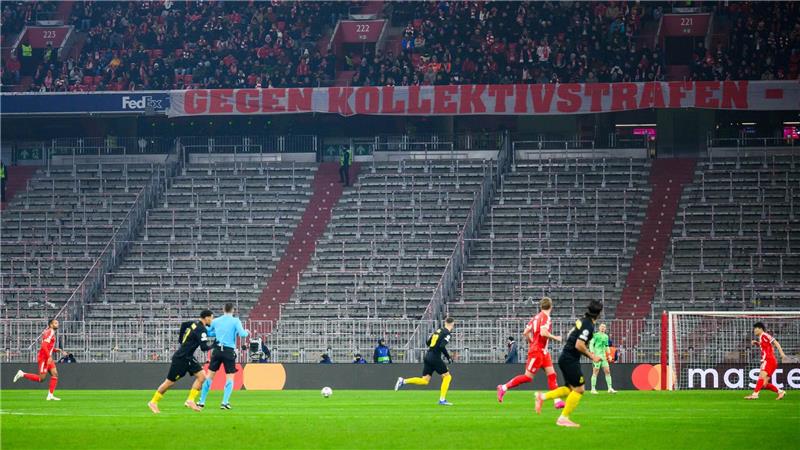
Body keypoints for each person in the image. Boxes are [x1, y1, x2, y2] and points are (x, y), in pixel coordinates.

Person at [535, 300, 604, 428]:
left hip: (566, 357)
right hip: (570, 359)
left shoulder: (582, 320)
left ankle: (542, 397)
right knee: (580, 389)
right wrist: (592, 356)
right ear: (599, 313)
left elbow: (569, 334)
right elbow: (579, 344)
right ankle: (563, 418)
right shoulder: (588, 325)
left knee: (570, 389)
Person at [497, 297, 564, 409]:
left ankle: (557, 401)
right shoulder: (546, 317)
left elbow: (525, 332)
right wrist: (556, 337)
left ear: (540, 306)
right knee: (528, 377)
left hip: (543, 351)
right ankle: (503, 387)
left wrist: (532, 341)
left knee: (552, 375)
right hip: (537, 351)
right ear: (551, 306)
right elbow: (543, 332)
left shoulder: (535, 318)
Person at [147, 310, 214, 414]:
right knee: (169, 382)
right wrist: (215, 344)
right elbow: (204, 347)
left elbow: (183, 325)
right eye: (211, 318)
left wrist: (180, 340)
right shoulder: (201, 329)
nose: (212, 320)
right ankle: (153, 402)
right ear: (206, 318)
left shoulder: (193, 324)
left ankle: (190, 400)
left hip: (189, 357)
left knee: (202, 377)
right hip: (181, 358)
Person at [394, 317, 455, 406]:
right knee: (447, 377)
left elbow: (428, 342)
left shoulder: (438, 330)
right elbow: (442, 346)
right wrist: (448, 357)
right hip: (435, 358)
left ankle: (403, 381)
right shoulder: (447, 334)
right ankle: (442, 400)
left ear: (445, 322)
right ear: (452, 324)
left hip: (428, 356)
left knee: (425, 380)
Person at [198, 303, 249, 410]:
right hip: (228, 351)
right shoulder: (236, 321)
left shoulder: (216, 321)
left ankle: (201, 402)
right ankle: (224, 402)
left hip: (216, 351)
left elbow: (209, 332)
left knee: (209, 376)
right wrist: (247, 332)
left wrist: (217, 333)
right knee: (230, 377)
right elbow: (242, 334)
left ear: (223, 309)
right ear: (233, 310)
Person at [13, 319, 64, 400]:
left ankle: (50, 395)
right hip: (44, 358)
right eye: (55, 323)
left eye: (57, 323)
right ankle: (22, 374)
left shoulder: (50, 332)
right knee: (41, 379)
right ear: (51, 325)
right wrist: (49, 357)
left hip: (48, 357)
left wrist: (55, 350)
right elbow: (44, 346)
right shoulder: (50, 332)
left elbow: (47, 346)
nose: (57, 324)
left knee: (55, 374)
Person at [745, 322, 787, 400]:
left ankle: (755, 394)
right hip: (771, 361)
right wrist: (757, 343)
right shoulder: (761, 337)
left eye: (755, 328)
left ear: (760, 329)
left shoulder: (765, 335)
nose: (754, 330)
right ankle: (780, 392)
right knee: (764, 384)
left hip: (768, 360)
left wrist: (782, 354)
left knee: (761, 376)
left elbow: (776, 343)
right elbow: (765, 346)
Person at [589, 323, 617, 394]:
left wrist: (609, 355)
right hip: (597, 356)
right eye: (601, 327)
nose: (603, 328)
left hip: (604, 357)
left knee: (607, 371)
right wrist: (592, 352)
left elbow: (606, 346)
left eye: (604, 327)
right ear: (599, 328)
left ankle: (610, 388)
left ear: (605, 329)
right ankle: (593, 389)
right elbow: (591, 343)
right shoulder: (595, 335)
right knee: (595, 372)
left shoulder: (606, 336)